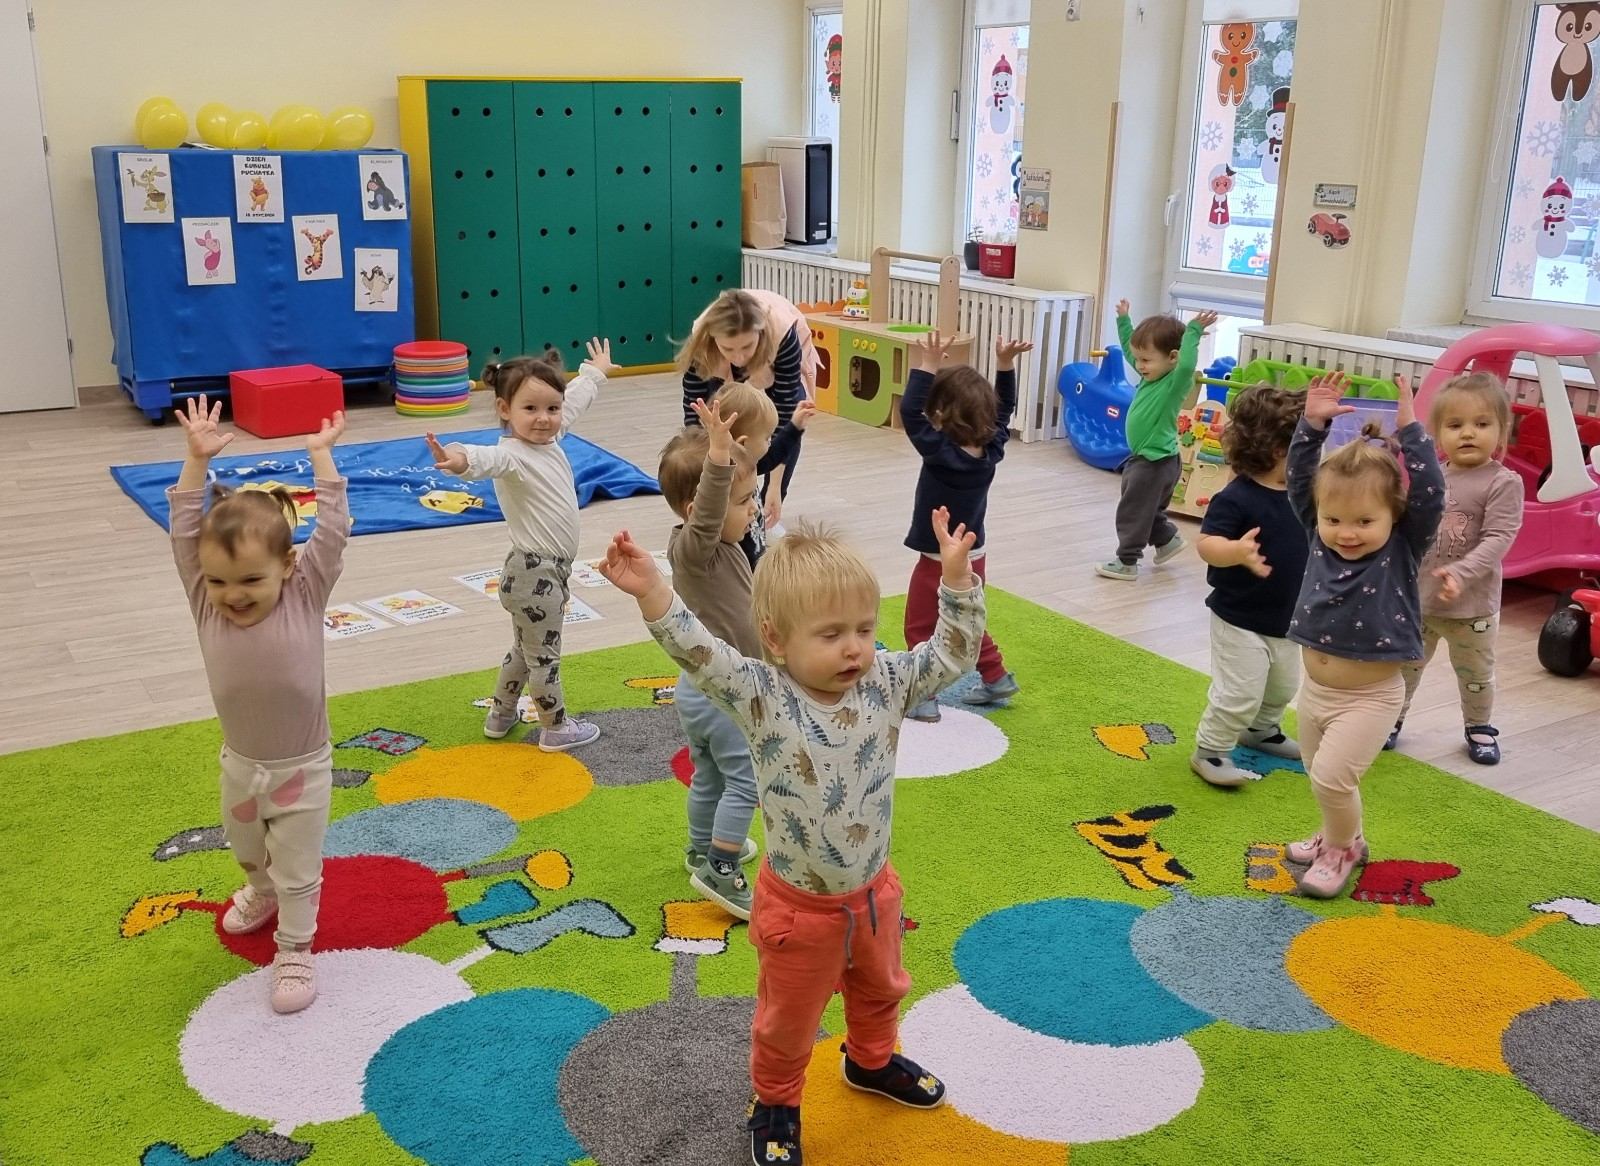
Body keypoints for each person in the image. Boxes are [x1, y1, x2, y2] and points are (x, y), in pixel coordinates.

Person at [597, 512, 985, 1166]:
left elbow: (952, 654)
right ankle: (776, 1103)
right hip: (799, 913)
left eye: (864, 629)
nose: (854, 649)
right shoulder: (761, 695)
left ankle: (871, 1061)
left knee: (883, 988)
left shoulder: (887, 681)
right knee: (788, 1020)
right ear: (775, 638)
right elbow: (700, 653)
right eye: (831, 634)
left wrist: (957, 582)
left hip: (873, 895)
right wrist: (654, 591)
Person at [168, 395, 349, 1013]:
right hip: (241, 764)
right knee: (247, 850)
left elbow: (334, 532)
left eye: (250, 580)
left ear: (288, 566)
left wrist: (321, 457)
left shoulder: (305, 592)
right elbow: (184, 532)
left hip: (303, 768)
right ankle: (261, 892)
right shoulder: (205, 601)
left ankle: (295, 948)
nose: (233, 595)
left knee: (297, 866)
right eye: (219, 581)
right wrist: (197, 461)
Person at [1283, 372, 1445, 898]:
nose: (1346, 533)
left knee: (1333, 778)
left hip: (1371, 697)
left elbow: (1431, 495)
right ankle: (1342, 833)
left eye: (1363, 522)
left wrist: (1413, 431)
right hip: (1315, 690)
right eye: (1334, 519)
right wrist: (1311, 426)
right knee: (1319, 773)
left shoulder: (1402, 547)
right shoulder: (1318, 537)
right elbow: (1299, 479)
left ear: (1394, 516)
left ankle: (1342, 850)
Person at [425, 339, 616, 752]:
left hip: (532, 573)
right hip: (536, 575)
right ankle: (555, 727)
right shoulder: (511, 455)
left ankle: (501, 714)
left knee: (524, 650)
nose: (544, 418)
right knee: (544, 657)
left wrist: (595, 372)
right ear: (504, 409)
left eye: (551, 408)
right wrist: (456, 459)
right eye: (530, 409)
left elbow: (575, 400)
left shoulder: (550, 436)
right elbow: (479, 458)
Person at [658, 399, 766, 918]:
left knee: (710, 776)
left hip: (700, 690)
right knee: (746, 780)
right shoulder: (694, 550)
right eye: (743, 502)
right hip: (723, 695)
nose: (753, 511)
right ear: (696, 509)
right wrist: (719, 458)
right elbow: (709, 511)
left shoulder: (722, 546)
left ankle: (703, 848)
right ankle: (721, 867)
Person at [899, 329, 1031, 721]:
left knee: (920, 624)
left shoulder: (940, 453)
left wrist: (927, 365)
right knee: (966, 616)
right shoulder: (992, 449)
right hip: (975, 553)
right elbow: (1004, 410)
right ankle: (996, 676)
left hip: (938, 555)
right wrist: (1005, 365)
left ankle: (923, 696)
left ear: (940, 414)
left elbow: (909, 412)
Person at [1394, 372, 1524, 764]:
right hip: (1421, 602)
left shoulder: (1503, 482)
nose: (1467, 433)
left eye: (1481, 424)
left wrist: (1462, 573)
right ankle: (1390, 720)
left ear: (1501, 431)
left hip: (1473, 610)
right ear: (1437, 433)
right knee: (1403, 668)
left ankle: (1479, 726)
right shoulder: (1432, 477)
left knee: (1475, 674)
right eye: (1455, 425)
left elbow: (1499, 538)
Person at [1190, 384, 1310, 785]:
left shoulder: (1304, 492)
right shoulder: (1237, 497)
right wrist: (1236, 551)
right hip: (1239, 617)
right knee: (1239, 692)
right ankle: (1210, 749)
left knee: (1282, 687)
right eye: (1305, 443)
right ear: (1277, 449)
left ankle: (1261, 730)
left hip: (1285, 617)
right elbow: (1206, 544)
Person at [681, 289, 812, 558]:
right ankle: (727, 510)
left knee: (784, 419)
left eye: (746, 347)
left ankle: (762, 513)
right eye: (728, 348)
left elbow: (783, 424)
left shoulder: (782, 334)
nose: (739, 358)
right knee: (717, 416)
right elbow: (694, 415)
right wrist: (705, 489)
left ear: (760, 334)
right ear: (713, 339)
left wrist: (774, 490)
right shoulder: (703, 342)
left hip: (776, 350)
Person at [1095, 301, 1217, 580]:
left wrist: (1193, 332)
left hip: (1154, 462)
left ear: (1172, 357)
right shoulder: (1150, 376)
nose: (1139, 365)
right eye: (1139, 360)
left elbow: (1187, 364)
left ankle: (1127, 562)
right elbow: (1130, 350)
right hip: (1153, 460)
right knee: (1144, 509)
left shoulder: (1174, 383)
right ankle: (1167, 540)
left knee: (1132, 511)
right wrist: (1124, 321)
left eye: (1146, 361)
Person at [711, 378, 818, 567]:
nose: (770, 443)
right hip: (737, 562)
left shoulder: (748, 464)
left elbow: (772, 457)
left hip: (756, 551)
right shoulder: (724, 477)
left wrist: (794, 427)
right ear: (743, 443)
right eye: (767, 438)